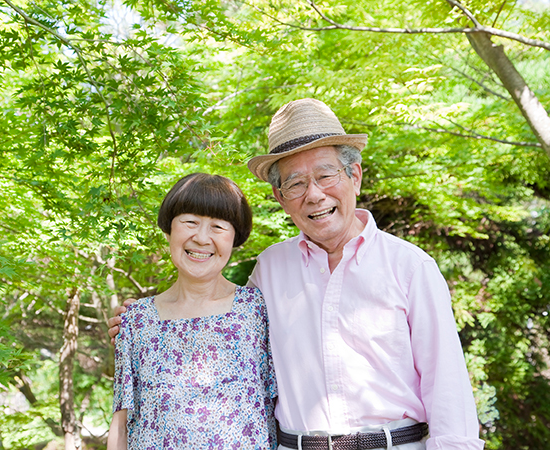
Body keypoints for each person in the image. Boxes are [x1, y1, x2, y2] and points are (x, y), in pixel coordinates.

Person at [110, 99, 485, 450]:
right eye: (296, 183)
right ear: (279, 196)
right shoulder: (270, 270)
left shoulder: (409, 267)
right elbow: (215, 320)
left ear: (354, 175)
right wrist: (142, 324)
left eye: (326, 175)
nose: (315, 194)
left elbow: (448, 388)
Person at [106, 173, 277, 450]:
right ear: (169, 230)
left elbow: (281, 404)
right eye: (190, 222)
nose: (201, 238)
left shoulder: (257, 309)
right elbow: (121, 425)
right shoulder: (137, 320)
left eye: (218, 226)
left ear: (235, 239)